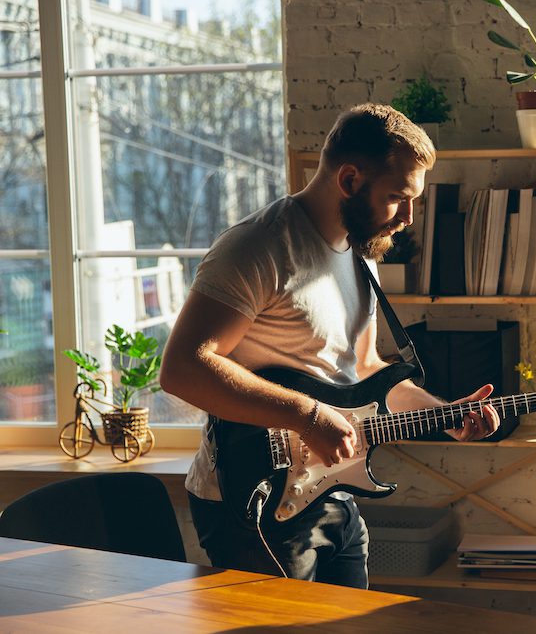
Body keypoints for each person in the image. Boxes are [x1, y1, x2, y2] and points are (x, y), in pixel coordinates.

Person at [160, 103, 500, 588]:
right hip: (252, 494)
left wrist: (447, 417)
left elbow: (364, 370)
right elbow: (182, 369)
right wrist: (308, 416)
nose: (407, 218)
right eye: (397, 198)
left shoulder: (361, 254)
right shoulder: (257, 247)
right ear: (349, 180)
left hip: (331, 491)